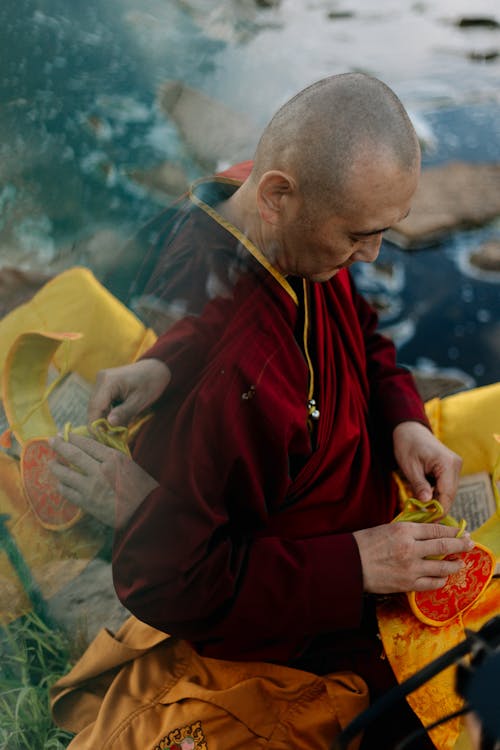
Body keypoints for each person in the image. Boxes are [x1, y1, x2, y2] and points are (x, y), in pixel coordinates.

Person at [49, 73, 471, 749]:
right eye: (359, 235)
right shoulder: (234, 382)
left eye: (385, 231)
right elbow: (173, 579)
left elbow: (361, 330)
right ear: (276, 194)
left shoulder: (279, 222)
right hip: (318, 625)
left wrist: (404, 419)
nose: (371, 256)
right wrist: (356, 566)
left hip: (378, 515)